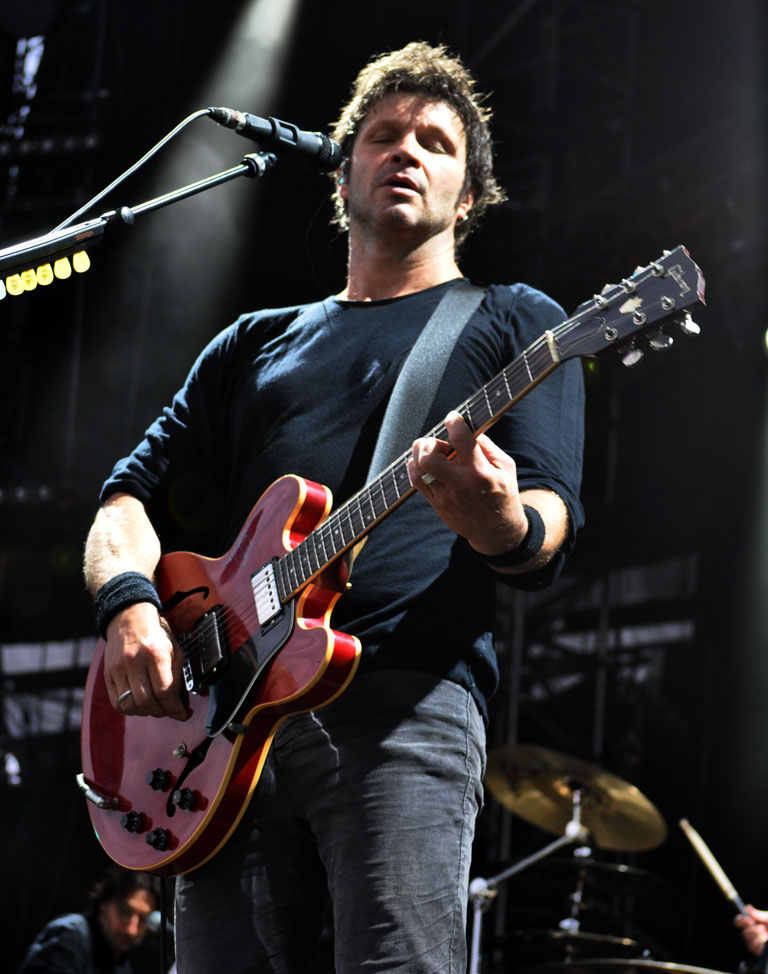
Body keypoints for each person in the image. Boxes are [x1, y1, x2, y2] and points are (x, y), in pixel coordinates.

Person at [83, 41, 585, 973]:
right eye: (384, 136)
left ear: (469, 197)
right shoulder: (253, 344)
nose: (407, 151)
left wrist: (500, 522)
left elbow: (549, 520)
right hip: (228, 725)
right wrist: (128, 606)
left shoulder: (517, 321)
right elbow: (126, 498)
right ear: (342, 171)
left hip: (405, 703)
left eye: (436, 143)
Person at [18, 865, 158, 973]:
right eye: (124, 912)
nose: (132, 930)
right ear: (104, 903)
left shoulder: (122, 965)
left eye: (143, 919)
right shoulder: (72, 934)